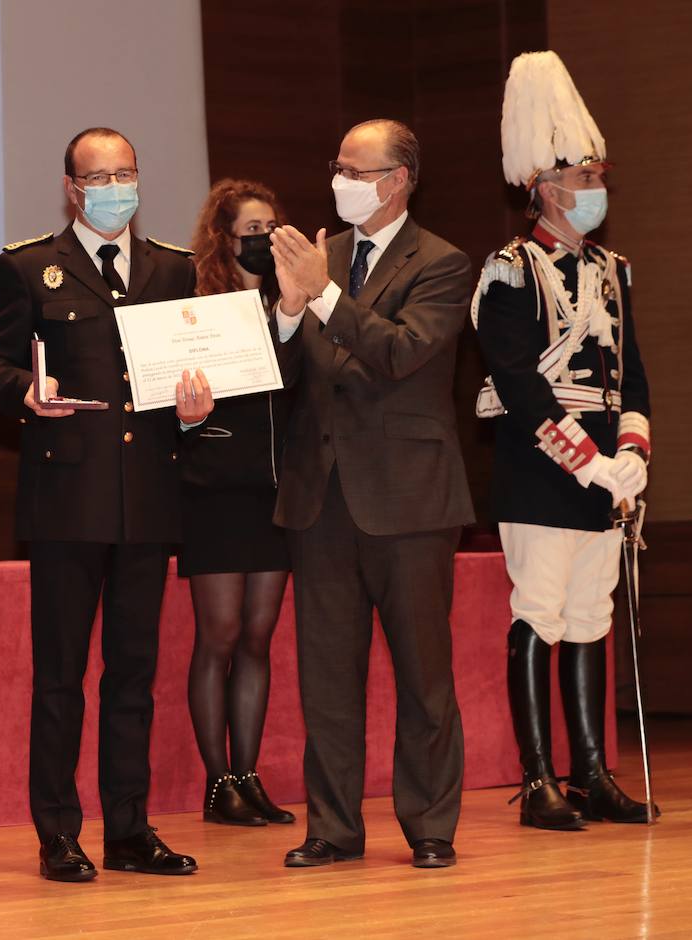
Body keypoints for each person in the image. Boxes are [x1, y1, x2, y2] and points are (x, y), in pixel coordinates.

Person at [0, 126, 213, 882]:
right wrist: (25, 393)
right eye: (99, 176)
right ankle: (59, 834)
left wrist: (198, 410)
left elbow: (191, 373)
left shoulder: (174, 268)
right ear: (73, 188)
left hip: (147, 501)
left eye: (127, 173)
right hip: (65, 502)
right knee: (59, 677)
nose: (115, 188)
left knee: (133, 675)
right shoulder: (30, 265)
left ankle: (131, 830)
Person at [268, 119, 473, 870]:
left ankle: (428, 826)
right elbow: (281, 378)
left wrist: (318, 298)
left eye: (355, 169)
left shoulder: (444, 264)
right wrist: (288, 314)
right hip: (319, 494)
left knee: (423, 672)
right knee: (326, 675)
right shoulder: (317, 261)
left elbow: (401, 352)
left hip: (409, 498)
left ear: (397, 180)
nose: (339, 181)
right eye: (337, 167)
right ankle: (332, 826)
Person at [471, 50, 653, 831]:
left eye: (599, 177)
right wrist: (591, 464)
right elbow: (519, 387)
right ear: (545, 188)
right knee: (540, 612)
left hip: (607, 473)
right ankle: (538, 776)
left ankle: (590, 774)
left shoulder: (615, 270)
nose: (595, 192)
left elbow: (634, 378)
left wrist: (633, 458)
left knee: (590, 617)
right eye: (583, 180)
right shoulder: (509, 271)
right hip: (540, 471)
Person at [182, 179, 294, 826]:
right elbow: (170, 403)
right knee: (218, 636)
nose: (263, 239)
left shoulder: (291, 303)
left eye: (272, 227)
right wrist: (190, 419)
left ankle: (248, 776)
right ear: (225, 238)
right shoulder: (194, 306)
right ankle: (216, 780)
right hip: (214, 493)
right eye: (252, 230)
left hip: (275, 494)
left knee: (258, 637)